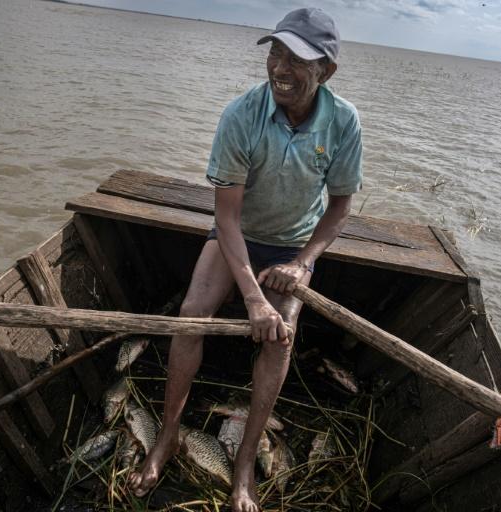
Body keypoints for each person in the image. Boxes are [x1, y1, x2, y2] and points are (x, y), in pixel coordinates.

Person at [129, 7, 363, 512]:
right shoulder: (241, 115)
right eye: (274, 51)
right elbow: (227, 219)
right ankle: (167, 435)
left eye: (295, 58)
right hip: (236, 234)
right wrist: (253, 297)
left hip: (292, 246)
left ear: (326, 70)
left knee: (280, 338)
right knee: (191, 316)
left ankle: (243, 464)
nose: (279, 66)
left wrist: (302, 263)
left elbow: (340, 207)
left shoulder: (344, 122)